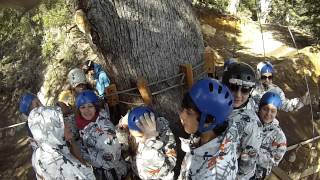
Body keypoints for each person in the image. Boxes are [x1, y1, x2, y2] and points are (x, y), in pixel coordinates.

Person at [19, 94, 95, 179]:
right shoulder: (66, 166)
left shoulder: (39, 153)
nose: (68, 124)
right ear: (51, 130)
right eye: (61, 122)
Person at [178, 78, 238, 180]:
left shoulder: (211, 174)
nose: (181, 115)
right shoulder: (209, 136)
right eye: (183, 108)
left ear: (209, 121)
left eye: (189, 112)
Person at [222, 62, 263, 179]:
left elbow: (246, 167)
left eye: (245, 90)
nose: (238, 95)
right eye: (233, 88)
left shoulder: (251, 125)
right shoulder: (216, 105)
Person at [75, 90, 127, 180]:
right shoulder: (83, 125)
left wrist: (84, 157)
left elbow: (111, 155)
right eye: (82, 107)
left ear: (96, 107)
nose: (86, 110)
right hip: (100, 173)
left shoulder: (104, 125)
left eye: (90, 106)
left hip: (113, 173)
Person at [116, 106, 176, 179]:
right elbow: (120, 141)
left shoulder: (165, 135)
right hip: (135, 171)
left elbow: (168, 165)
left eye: (140, 137)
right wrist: (121, 126)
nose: (138, 141)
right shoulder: (134, 133)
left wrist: (151, 142)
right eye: (134, 135)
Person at [254, 92, 287, 179]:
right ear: (260, 108)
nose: (268, 114)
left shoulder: (279, 137)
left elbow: (274, 161)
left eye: (273, 111)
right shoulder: (249, 122)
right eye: (265, 109)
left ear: (276, 113)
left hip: (256, 175)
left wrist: (252, 153)